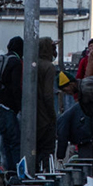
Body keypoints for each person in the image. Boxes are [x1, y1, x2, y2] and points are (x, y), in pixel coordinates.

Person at [0, 36, 24, 176]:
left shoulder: (3, 59)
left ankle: (8, 169)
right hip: (7, 105)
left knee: (5, 138)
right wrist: (19, 106)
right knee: (14, 141)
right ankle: (15, 172)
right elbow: (16, 87)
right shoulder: (16, 62)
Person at [33, 36, 59, 173]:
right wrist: (53, 116)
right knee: (48, 151)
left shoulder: (32, 64)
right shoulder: (49, 67)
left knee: (34, 151)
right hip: (45, 117)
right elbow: (48, 95)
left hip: (31, 116)